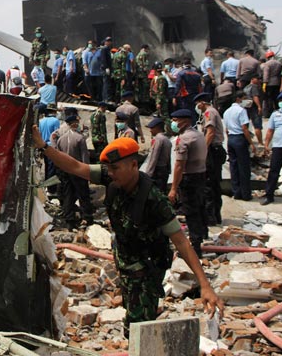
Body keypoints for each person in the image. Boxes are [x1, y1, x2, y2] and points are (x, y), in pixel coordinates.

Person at [30, 132, 223, 330]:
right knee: (132, 317)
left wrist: (205, 285)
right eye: (109, 169)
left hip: (146, 271)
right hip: (126, 265)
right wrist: (43, 147)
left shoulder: (154, 199)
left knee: (139, 326)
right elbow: (75, 166)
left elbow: (181, 241)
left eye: (115, 168)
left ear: (133, 165)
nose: (110, 173)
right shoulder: (112, 178)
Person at [168, 108, 207, 258]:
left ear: (185, 121)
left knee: (191, 212)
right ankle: (202, 235)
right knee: (199, 206)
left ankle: (195, 248)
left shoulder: (184, 139)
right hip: (200, 175)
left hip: (189, 178)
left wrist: (173, 188)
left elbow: (179, 165)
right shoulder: (198, 135)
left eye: (175, 120)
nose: (173, 123)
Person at [56, 115, 94, 228]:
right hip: (78, 170)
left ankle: (69, 219)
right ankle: (87, 217)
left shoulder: (60, 139)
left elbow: (58, 156)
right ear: (75, 124)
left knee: (68, 195)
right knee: (83, 195)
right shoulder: (80, 138)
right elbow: (84, 157)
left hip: (65, 171)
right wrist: (88, 173)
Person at [194, 93, 226, 225]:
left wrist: (204, 150)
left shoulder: (209, 113)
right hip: (215, 150)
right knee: (214, 184)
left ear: (202, 102)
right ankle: (215, 216)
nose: (197, 106)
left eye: (197, 103)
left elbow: (210, 133)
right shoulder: (211, 112)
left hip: (212, 150)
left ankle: (210, 217)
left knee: (209, 184)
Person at [223, 91, 257, 201]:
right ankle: (246, 194)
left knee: (234, 167)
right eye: (244, 98)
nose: (246, 100)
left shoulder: (227, 111)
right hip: (240, 139)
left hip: (231, 139)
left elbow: (226, 130)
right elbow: (244, 129)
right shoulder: (241, 111)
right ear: (238, 99)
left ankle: (236, 192)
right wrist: (251, 143)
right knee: (244, 168)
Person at [261, 91, 282, 206]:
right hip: (278, 147)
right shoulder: (275, 115)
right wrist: (266, 144)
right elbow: (270, 131)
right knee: (273, 172)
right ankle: (269, 195)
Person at [243, 74, 264, 145]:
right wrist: (259, 106)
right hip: (254, 108)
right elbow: (255, 97)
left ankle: (248, 141)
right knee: (257, 126)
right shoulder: (254, 87)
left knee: (246, 125)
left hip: (246, 107)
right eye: (257, 79)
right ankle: (260, 142)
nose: (259, 80)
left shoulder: (246, 87)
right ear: (252, 79)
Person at [262, 50, 282, 117]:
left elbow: (266, 74)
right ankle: (278, 110)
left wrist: (265, 83)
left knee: (269, 98)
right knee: (276, 98)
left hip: (269, 83)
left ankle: (270, 113)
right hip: (277, 83)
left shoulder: (267, 64)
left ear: (267, 57)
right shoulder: (279, 63)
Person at [99, 37, 113, 102]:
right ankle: (106, 98)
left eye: (110, 41)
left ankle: (106, 98)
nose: (109, 42)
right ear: (105, 42)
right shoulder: (104, 49)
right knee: (106, 83)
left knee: (107, 83)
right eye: (108, 41)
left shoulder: (108, 49)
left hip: (107, 68)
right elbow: (103, 59)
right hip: (105, 69)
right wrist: (106, 67)